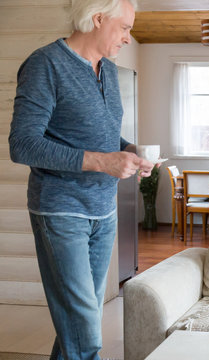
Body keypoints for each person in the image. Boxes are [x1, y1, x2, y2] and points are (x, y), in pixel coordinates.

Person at [8, 0, 153, 359]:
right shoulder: (45, 65)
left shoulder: (108, 70)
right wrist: (102, 161)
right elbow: (23, 145)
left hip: (103, 211)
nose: (128, 38)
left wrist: (130, 150)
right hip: (61, 210)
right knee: (85, 329)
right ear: (98, 19)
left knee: (80, 321)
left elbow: (105, 137)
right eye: (124, 27)